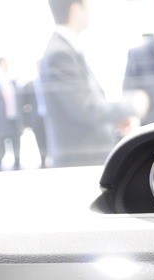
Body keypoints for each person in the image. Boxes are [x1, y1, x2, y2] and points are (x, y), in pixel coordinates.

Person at [39, 0, 136, 168]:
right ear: (76, 9)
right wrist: (131, 106)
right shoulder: (60, 54)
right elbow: (86, 110)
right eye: (87, 5)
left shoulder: (66, 49)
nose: (90, 12)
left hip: (85, 157)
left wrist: (114, 121)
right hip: (79, 161)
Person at [0, 58, 22, 171]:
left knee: (16, 143)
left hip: (14, 119)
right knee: (1, 145)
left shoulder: (13, 82)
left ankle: (17, 165)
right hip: (0, 120)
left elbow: (19, 103)